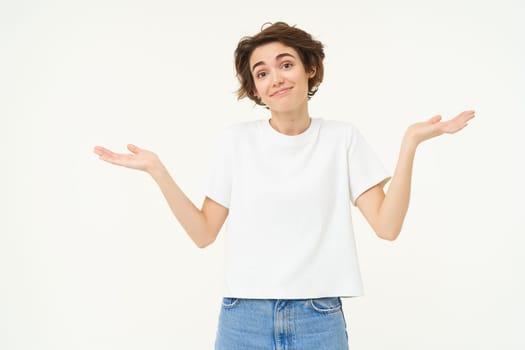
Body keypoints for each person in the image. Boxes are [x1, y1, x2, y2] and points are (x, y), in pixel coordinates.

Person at [94, 22, 474, 350]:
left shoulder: (342, 138)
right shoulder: (235, 142)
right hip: (243, 317)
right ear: (255, 89)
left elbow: (387, 227)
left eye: (286, 65)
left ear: (310, 69)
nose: (275, 78)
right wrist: (159, 171)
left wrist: (410, 144)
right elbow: (203, 232)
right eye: (261, 73)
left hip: (318, 318)